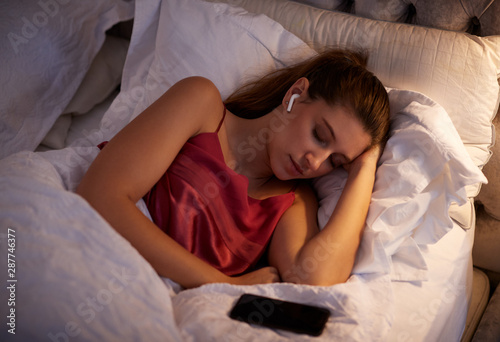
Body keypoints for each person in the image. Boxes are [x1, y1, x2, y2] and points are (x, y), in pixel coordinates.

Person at [76, 48, 390, 289]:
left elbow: (313, 283)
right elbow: (100, 195)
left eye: (336, 162)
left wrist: (364, 168)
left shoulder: (292, 202)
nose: (316, 162)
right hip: (88, 258)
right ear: (295, 95)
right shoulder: (201, 105)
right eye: (320, 136)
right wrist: (223, 283)